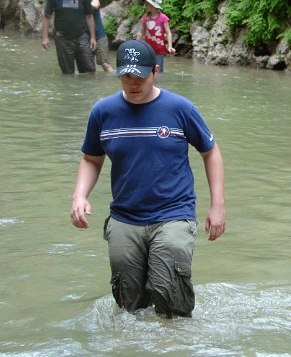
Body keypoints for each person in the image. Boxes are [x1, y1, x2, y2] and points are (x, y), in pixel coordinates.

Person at [69, 39, 226, 318]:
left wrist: (218, 205)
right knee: (129, 305)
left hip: (173, 213)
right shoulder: (103, 112)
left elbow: (210, 152)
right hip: (125, 216)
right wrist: (79, 196)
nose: (133, 82)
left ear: (155, 70)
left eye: (140, 76)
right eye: (126, 76)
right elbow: (91, 159)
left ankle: (176, 350)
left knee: (168, 293)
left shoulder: (180, 108)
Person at [41, 0, 96, 74]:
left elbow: (89, 16)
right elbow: (47, 16)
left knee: (90, 71)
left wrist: (93, 38)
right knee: (68, 73)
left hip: (81, 37)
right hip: (63, 38)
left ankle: (87, 90)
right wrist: (45, 37)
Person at [77, 0, 114, 73]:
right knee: (89, 68)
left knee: (104, 63)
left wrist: (83, 3)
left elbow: (96, 4)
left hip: (99, 36)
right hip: (84, 38)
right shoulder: (74, 2)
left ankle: (112, 82)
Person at [137, 0, 174, 73]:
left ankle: (158, 84)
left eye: (147, 3)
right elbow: (141, 32)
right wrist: (136, 44)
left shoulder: (163, 18)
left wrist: (170, 46)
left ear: (153, 6)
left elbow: (168, 33)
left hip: (159, 50)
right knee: (147, 70)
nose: (145, 5)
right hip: (148, 49)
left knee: (159, 71)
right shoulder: (145, 18)